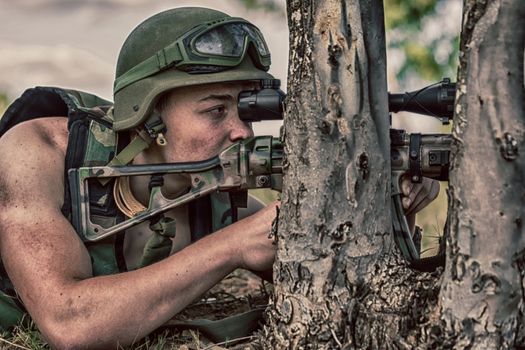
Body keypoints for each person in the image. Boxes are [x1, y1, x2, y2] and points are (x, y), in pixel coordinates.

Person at [0, 7, 438, 349]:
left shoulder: (221, 200)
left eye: (247, 110)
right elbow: (68, 325)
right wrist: (232, 247)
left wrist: (394, 210)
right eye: (215, 110)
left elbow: (358, 294)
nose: (242, 131)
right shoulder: (38, 152)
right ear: (148, 116)